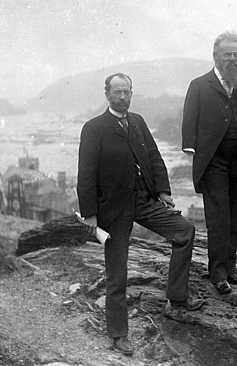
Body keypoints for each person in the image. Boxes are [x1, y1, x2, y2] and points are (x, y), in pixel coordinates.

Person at [77, 73, 205, 356]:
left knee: (185, 231)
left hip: (144, 200)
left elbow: (155, 157)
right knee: (117, 274)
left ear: (132, 93)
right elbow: (85, 175)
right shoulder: (94, 128)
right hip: (113, 209)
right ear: (107, 94)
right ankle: (119, 334)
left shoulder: (138, 122)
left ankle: (177, 299)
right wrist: (90, 214)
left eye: (127, 92)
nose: (123, 97)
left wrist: (163, 191)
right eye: (117, 92)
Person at [182, 32, 237, 295]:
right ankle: (217, 273)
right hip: (214, 163)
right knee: (218, 217)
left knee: (234, 216)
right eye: (227, 54)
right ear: (216, 56)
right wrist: (193, 151)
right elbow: (189, 121)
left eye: (236, 54)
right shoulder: (199, 85)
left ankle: (231, 269)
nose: (233, 59)